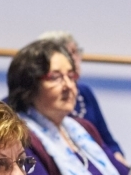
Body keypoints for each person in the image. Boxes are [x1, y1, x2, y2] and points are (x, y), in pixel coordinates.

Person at [7, 39, 129, 175]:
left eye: (71, 77)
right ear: (28, 86)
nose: (68, 86)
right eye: (55, 77)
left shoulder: (83, 129)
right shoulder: (22, 139)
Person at [38, 31, 126, 161]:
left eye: (75, 52)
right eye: (67, 53)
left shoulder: (84, 92)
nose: (74, 59)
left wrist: (120, 164)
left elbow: (108, 142)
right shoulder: (40, 107)